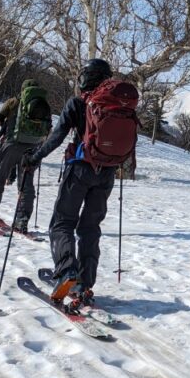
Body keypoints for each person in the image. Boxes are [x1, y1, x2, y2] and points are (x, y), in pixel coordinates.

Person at [22, 58, 120, 306]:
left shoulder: (77, 103)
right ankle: (85, 283)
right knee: (90, 227)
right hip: (107, 173)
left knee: (62, 222)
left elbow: (56, 137)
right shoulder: (117, 106)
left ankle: (67, 272)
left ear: (86, 78)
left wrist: (34, 157)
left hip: (79, 170)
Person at [0, 78, 50, 233]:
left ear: (22, 90)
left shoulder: (13, 102)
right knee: (26, 186)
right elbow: (47, 130)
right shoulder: (44, 104)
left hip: (11, 145)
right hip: (33, 149)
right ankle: (21, 222)